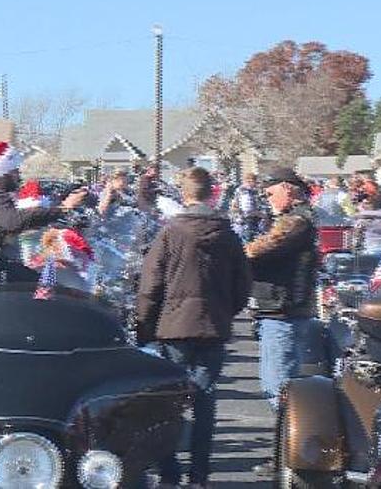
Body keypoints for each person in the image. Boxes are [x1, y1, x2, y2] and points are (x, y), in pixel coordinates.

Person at [136, 167, 251, 489]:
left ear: (184, 195)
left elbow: (150, 284)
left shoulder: (170, 233)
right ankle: (199, 477)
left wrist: (144, 323)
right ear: (210, 193)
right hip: (212, 326)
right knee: (204, 402)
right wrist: (225, 311)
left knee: (167, 404)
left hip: (173, 327)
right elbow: (243, 284)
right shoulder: (227, 234)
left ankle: (169, 473)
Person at [244, 168, 320, 477]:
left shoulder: (297, 222)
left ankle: (296, 459)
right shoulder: (293, 219)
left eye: (270, 191)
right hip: (279, 312)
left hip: (284, 313)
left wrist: (232, 253)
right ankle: (285, 459)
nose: (267, 197)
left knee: (280, 392)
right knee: (280, 390)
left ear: (288, 189)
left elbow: (258, 249)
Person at [0, 141, 86, 286]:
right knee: (56, 289)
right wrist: (63, 208)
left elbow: (23, 220)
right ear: (3, 172)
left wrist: (60, 207)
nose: (18, 174)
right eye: (14, 169)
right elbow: (12, 222)